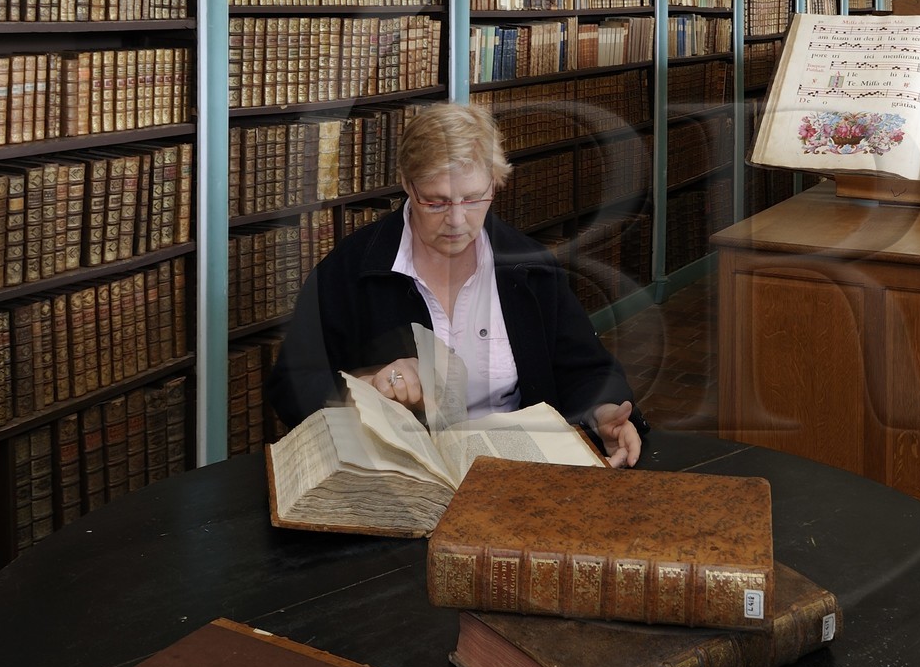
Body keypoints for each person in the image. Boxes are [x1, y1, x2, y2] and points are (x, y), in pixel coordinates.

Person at [264, 103, 645, 467]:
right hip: (401, 476)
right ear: (407, 186)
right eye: (436, 202)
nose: (457, 220)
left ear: (495, 182)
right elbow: (291, 386)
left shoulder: (530, 266)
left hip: (511, 471)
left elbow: (586, 369)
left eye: (474, 198)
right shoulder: (350, 269)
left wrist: (604, 412)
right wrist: (364, 388)